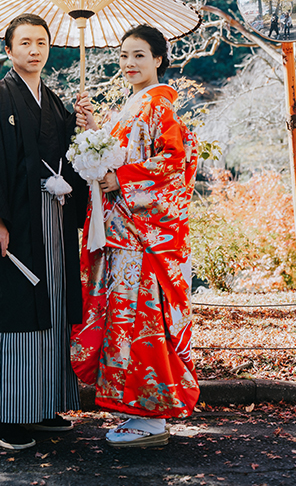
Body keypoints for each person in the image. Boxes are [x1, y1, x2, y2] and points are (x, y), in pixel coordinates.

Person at [70, 24, 200, 448]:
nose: (129, 63)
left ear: (159, 60)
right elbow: (112, 152)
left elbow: (174, 166)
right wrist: (92, 128)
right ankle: (136, 410)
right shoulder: (132, 107)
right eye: (124, 55)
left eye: (140, 55)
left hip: (144, 238)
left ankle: (152, 416)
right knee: (125, 321)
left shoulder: (161, 106)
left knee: (144, 323)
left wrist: (119, 177)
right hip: (123, 234)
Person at [0, 13, 89, 451]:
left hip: (53, 218)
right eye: (25, 43)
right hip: (17, 221)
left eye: (41, 42)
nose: (34, 50)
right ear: (8, 49)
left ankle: (41, 405)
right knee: (18, 309)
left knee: (52, 306)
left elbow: (68, 159)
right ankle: (4, 417)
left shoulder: (54, 103)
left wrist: (82, 125)